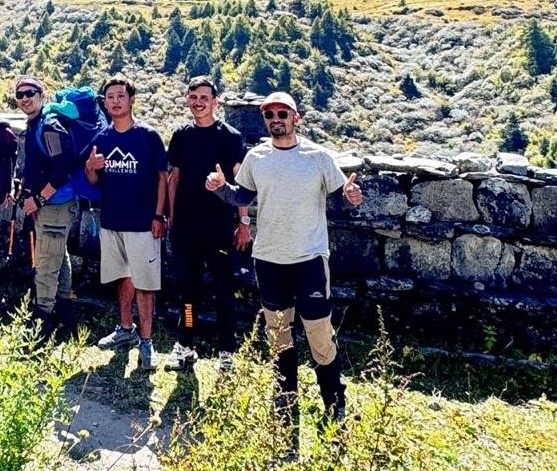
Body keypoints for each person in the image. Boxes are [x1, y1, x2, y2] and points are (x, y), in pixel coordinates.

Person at [205, 91, 363, 437]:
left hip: (310, 258)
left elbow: (342, 197)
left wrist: (352, 197)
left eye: (282, 114)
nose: (276, 120)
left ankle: (334, 402)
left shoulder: (318, 156)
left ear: (296, 118)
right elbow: (242, 196)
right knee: (278, 332)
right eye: (270, 115)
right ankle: (285, 400)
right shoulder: (257, 157)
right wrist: (219, 188)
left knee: (319, 333)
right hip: (269, 259)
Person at [84, 74, 168, 372]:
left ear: (131, 100)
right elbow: (94, 180)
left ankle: (146, 341)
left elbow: (162, 178)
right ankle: (125, 329)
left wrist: (158, 216)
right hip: (112, 221)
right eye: (110, 97)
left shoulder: (148, 136)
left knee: (145, 284)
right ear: (105, 104)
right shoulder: (102, 138)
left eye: (121, 96)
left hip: (143, 222)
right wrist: (90, 167)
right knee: (122, 277)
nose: (116, 101)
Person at [165, 75, 248, 372]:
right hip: (186, 227)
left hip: (220, 228)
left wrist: (244, 222)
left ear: (215, 101)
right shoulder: (181, 136)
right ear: (187, 100)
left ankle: (227, 351)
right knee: (187, 292)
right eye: (193, 97)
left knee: (224, 292)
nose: (198, 102)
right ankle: (186, 344)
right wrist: (171, 217)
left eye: (204, 97)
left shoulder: (230, 137)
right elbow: (173, 179)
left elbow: (242, 183)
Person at [15, 75, 78, 338]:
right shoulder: (36, 124)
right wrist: (25, 186)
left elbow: (63, 169)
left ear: (42, 95)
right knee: (58, 256)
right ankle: (65, 310)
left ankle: (42, 320)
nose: (25, 98)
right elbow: (40, 164)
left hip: (54, 205)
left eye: (30, 93)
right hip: (52, 205)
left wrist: (38, 199)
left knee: (46, 264)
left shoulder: (49, 125)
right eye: (20, 95)